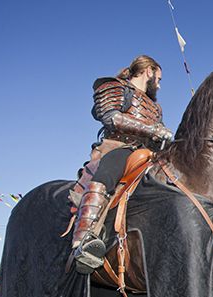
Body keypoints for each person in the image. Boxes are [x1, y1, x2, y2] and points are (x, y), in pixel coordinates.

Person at [72, 55, 174, 274]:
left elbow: (160, 133)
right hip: (118, 147)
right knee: (106, 175)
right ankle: (83, 242)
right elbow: (111, 118)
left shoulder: (155, 107)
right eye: (159, 78)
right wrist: (153, 130)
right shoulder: (115, 87)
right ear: (149, 71)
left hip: (149, 154)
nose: (159, 83)